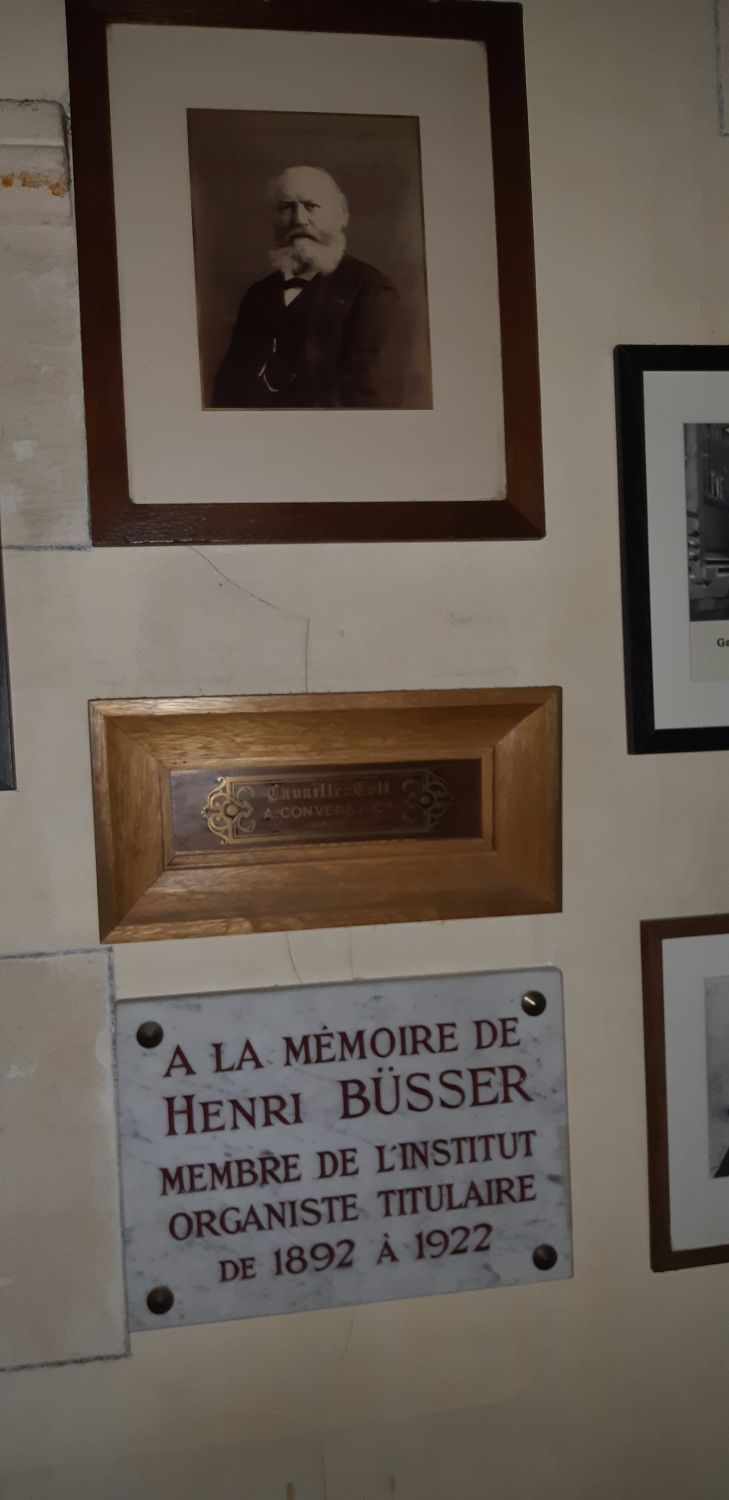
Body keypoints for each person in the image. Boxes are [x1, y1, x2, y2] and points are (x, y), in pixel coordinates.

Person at [211, 165, 404, 410]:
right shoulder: (257, 296)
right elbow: (226, 394)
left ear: (341, 214)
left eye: (311, 206)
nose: (299, 219)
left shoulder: (372, 292)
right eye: (287, 207)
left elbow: (374, 403)